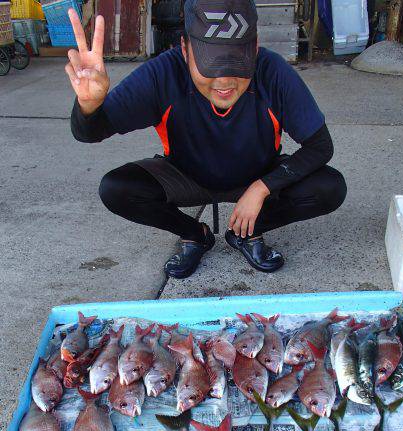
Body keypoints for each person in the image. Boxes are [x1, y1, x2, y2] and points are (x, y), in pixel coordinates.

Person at [66, 0, 346, 279]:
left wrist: (261, 188)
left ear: (255, 46)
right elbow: (89, 132)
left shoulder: (273, 71)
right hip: (186, 175)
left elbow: (320, 146)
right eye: (210, 65)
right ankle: (194, 234)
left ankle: (246, 231)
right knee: (115, 188)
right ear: (185, 48)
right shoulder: (162, 73)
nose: (224, 81)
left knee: (329, 187)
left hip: (257, 173)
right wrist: (89, 105)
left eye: (237, 63)